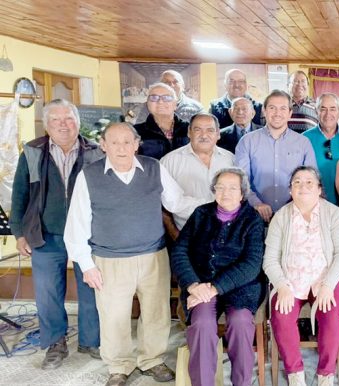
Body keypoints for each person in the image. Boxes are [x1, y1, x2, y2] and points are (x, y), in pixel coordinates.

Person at [64, 122, 205, 386]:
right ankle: (119, 366)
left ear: (137, 144)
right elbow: (76, 224)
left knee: (156, 313)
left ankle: (152, 359)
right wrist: (86, 265)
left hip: (153, 256)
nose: (121, 148)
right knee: (113, 316)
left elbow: (177, 202)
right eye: (114, 142)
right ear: (103, 145)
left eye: (127, 142)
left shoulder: (153, 168)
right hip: (109, 260)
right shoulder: (90, 176)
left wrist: (214, 202)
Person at [9, 99, 103, 369]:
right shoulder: (33, 152)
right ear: (46, 124)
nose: (63, 124)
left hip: (87, 236)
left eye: (69, 119)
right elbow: (19, 196)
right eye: (56, 120)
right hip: (45, 234)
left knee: (90, 290)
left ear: (77, 121)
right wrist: (19, 233)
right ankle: (55, 343)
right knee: (48, 293)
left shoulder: (96, 151)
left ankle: (91, 340)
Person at [170, 168, 267, 386]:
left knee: (240, 322)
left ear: (242, 194)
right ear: (213, 190)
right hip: (201, 284)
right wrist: (193, 285)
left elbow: (251, 265)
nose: (226, 192)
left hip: (241, 287)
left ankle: (241, 383)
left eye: (233, 188)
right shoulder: (200, 214)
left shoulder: (252, 220)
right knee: (202, 322)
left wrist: (213, 288)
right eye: (220, 187)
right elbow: (179, 251)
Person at [263, 166, 339, 386]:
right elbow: (270, 259)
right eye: (297, 182)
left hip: (325, 280)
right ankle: (295, 374)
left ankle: (325, 374)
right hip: (290, 280)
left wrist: (329, 284)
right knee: (281, 316)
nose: (303, 186)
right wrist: (281, 286)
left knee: (331, 316)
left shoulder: (333, 213)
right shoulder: (281, 217)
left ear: (320, 189)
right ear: (290, 190)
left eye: (309, 182)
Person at [235, 90, 317, 222]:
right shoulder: (247, 141)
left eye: (283, 108)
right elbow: (240, 180)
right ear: (264, 111)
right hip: (254, 217)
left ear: (290, 113)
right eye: (272, 108)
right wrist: (256, 203)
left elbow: (311, 180)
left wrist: (295, 204)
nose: (277, 113)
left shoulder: (303, 143)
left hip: (294, 215)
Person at [160, 113, 234, 237]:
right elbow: (162, 206)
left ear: (218, 134)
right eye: (197, 129)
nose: (204, 135)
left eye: (210, 130)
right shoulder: (169, 161)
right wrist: (175, 234)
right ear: (189, 132)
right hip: (187, 236)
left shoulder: (231, 160)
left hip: (226, 236)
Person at [303, 93, 339, 204]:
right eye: (323, 109)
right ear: (316, 111)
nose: (328, 114)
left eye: (333, 109)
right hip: (313, 203)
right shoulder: (303, 139)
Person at [135, 82, 190, 159]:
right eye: (154, 98)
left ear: (175, 104)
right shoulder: (135, 132)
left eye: (167, 98)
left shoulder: (189, 129)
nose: (160, 102)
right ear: (147, 104)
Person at [135, 70, 204, 123]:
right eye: (166, 82)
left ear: (183, 86)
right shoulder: (148, 107)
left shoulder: (196, 108)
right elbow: (139, 133)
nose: (171, 85)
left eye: (175, 82)